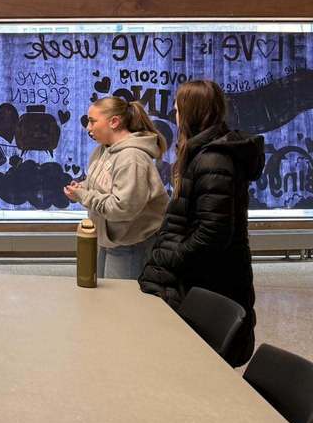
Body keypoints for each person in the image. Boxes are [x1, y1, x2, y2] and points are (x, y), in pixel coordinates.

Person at [139, 80, 265, 368]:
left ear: (191, 113)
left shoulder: (213, 159)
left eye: (177, 110)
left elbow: (213, 232)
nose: (175, 116)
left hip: (210, 280)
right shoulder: (204, 154)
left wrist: (170, 256)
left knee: (202, 366)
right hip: (206, 276)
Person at [63, 97, 169, 280]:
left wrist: (85, 196)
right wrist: (82, 188)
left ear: (114, 122)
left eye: (93, 121)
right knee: (104, 294)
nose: (88, 127)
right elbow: (100, 185)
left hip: (130, 244)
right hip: (108, 240)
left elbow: (122, 208)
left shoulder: (132, 158)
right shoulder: (102, 150)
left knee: (121, 297)